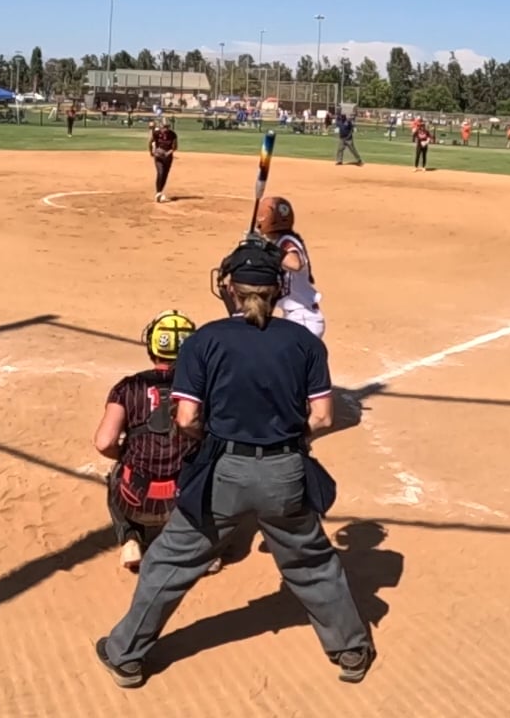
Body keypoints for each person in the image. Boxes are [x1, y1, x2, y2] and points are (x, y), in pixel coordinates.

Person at [97, 238, 374, 688]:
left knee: (169, 562)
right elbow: (323, 417)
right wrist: (288, 439)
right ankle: (351, 650)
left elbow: (186, 418)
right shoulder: (304, 342)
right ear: (278, 289)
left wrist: (211, 440)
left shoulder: (205, 340)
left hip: (224, 471)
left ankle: (125, 655)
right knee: (312, 563)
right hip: (285, 472)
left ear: (229, 288)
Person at [94, 312, 212, 572]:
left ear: (152, 347)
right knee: (212, 466)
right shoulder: (203, 387)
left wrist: (126, 455)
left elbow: (104, 442)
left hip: (136, 499)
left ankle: (130, 538)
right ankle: (202, 545)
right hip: (183, 500)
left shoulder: (127, 387)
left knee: (117, 473)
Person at [253, 196, 324, 338]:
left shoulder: (287, 241)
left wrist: (266, 246)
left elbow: (295, 264)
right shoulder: (279, 242)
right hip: (296, 317)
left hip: (304, 318)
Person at [149, 118, 178, 203]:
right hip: (158, 157)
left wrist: (168, 153)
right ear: (161, 126)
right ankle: (158, 193)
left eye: (167, 127)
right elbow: (151, 142)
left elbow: (175, 147)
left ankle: (160, 192)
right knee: (160, 173)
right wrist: (151, 152)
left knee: (165, 175)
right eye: (164, 127)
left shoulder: (173, 134)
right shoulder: (156, 133)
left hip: (168, 158)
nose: (166, 129)